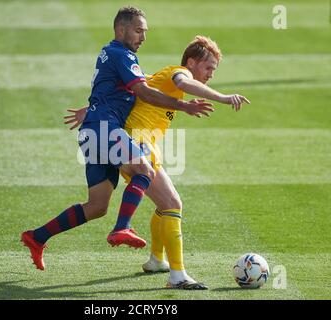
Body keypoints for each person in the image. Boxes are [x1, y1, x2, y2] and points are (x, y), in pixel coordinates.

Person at [20, 7, 213, 272]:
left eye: (144, 32)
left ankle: (37, 237)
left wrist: (88, 111)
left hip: (92, 131)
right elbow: (142, 92)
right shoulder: (122, 55)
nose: (143, 37)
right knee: (144, 169)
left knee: (97, 206)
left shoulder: (111, 54)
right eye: (138, 31)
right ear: (121, 29)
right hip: (104, 129)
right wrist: (183, 106)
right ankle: (122, 228)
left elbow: (114, 93)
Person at [65, 35, 250, 290]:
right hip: (137, 145)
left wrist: (90, 111)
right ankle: (177, 276)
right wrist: (223, 97)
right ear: (192, 62)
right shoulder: (179, 73)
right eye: (208, 68)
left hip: (135, 144)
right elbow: (186, 82)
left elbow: (128, 92)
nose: (210, 75)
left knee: (165, 205)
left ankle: (156, 260)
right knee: (173, 203)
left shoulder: (158, 78)